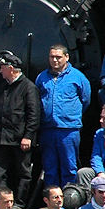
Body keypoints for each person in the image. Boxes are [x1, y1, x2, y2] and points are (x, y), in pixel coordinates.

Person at [36, 44, 91, 188]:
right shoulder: (42, 77)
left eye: (58, 57)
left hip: (69, 129)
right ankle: (51, 199)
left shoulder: (78, 77)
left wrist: (71, 115)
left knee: (69, 166)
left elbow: (85, 100)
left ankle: (69, 200)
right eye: (51, 57)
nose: (54, 60)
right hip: (47, 128)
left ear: (66, 57)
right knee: (49, 167)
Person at [0, 51, 40, 206]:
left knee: (23, 172)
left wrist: (28, 136)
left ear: (11, 68)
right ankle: (1, 200)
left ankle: (19, 203)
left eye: (2, 67)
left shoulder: (29, 88)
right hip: (2, 137)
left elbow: (34, 114)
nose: (0, 70)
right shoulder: (2, 87)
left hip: (20, 138)